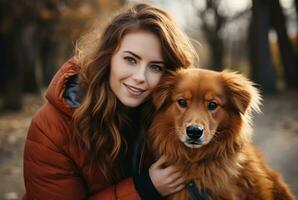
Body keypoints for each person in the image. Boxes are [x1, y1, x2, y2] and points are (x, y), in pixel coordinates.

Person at [23, 3, 198, 200]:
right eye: (131, 60)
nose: (140, 77)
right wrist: (144, 188)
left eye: (156, 67)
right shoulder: (51, 129)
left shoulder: (172, 120)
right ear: (108, 57)